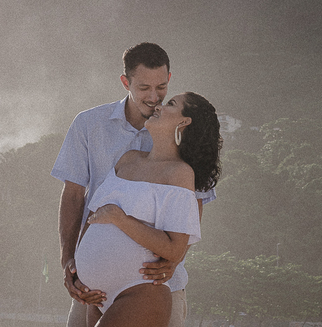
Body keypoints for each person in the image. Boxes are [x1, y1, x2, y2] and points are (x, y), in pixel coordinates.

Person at [52, 43, 216, 327]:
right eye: (143, 88)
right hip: (90, 291)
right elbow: (76, 197)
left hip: (154, 284)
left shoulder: (181, 153)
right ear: (125, 82)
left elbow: (193, 206)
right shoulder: (91, 125)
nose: (154, 98)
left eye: (162, 88)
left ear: (169, 79)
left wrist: (173, 260)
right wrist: (70, 260)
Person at [74, 91, 222, 327]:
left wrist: (122, 219)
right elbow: (95, 216)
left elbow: (175, 249)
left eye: (171, 104)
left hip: (140, 291)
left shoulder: (180, 173)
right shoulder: (128, 158)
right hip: (96, 296)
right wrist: (80, 273)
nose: (159, 106)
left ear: (184, 122)